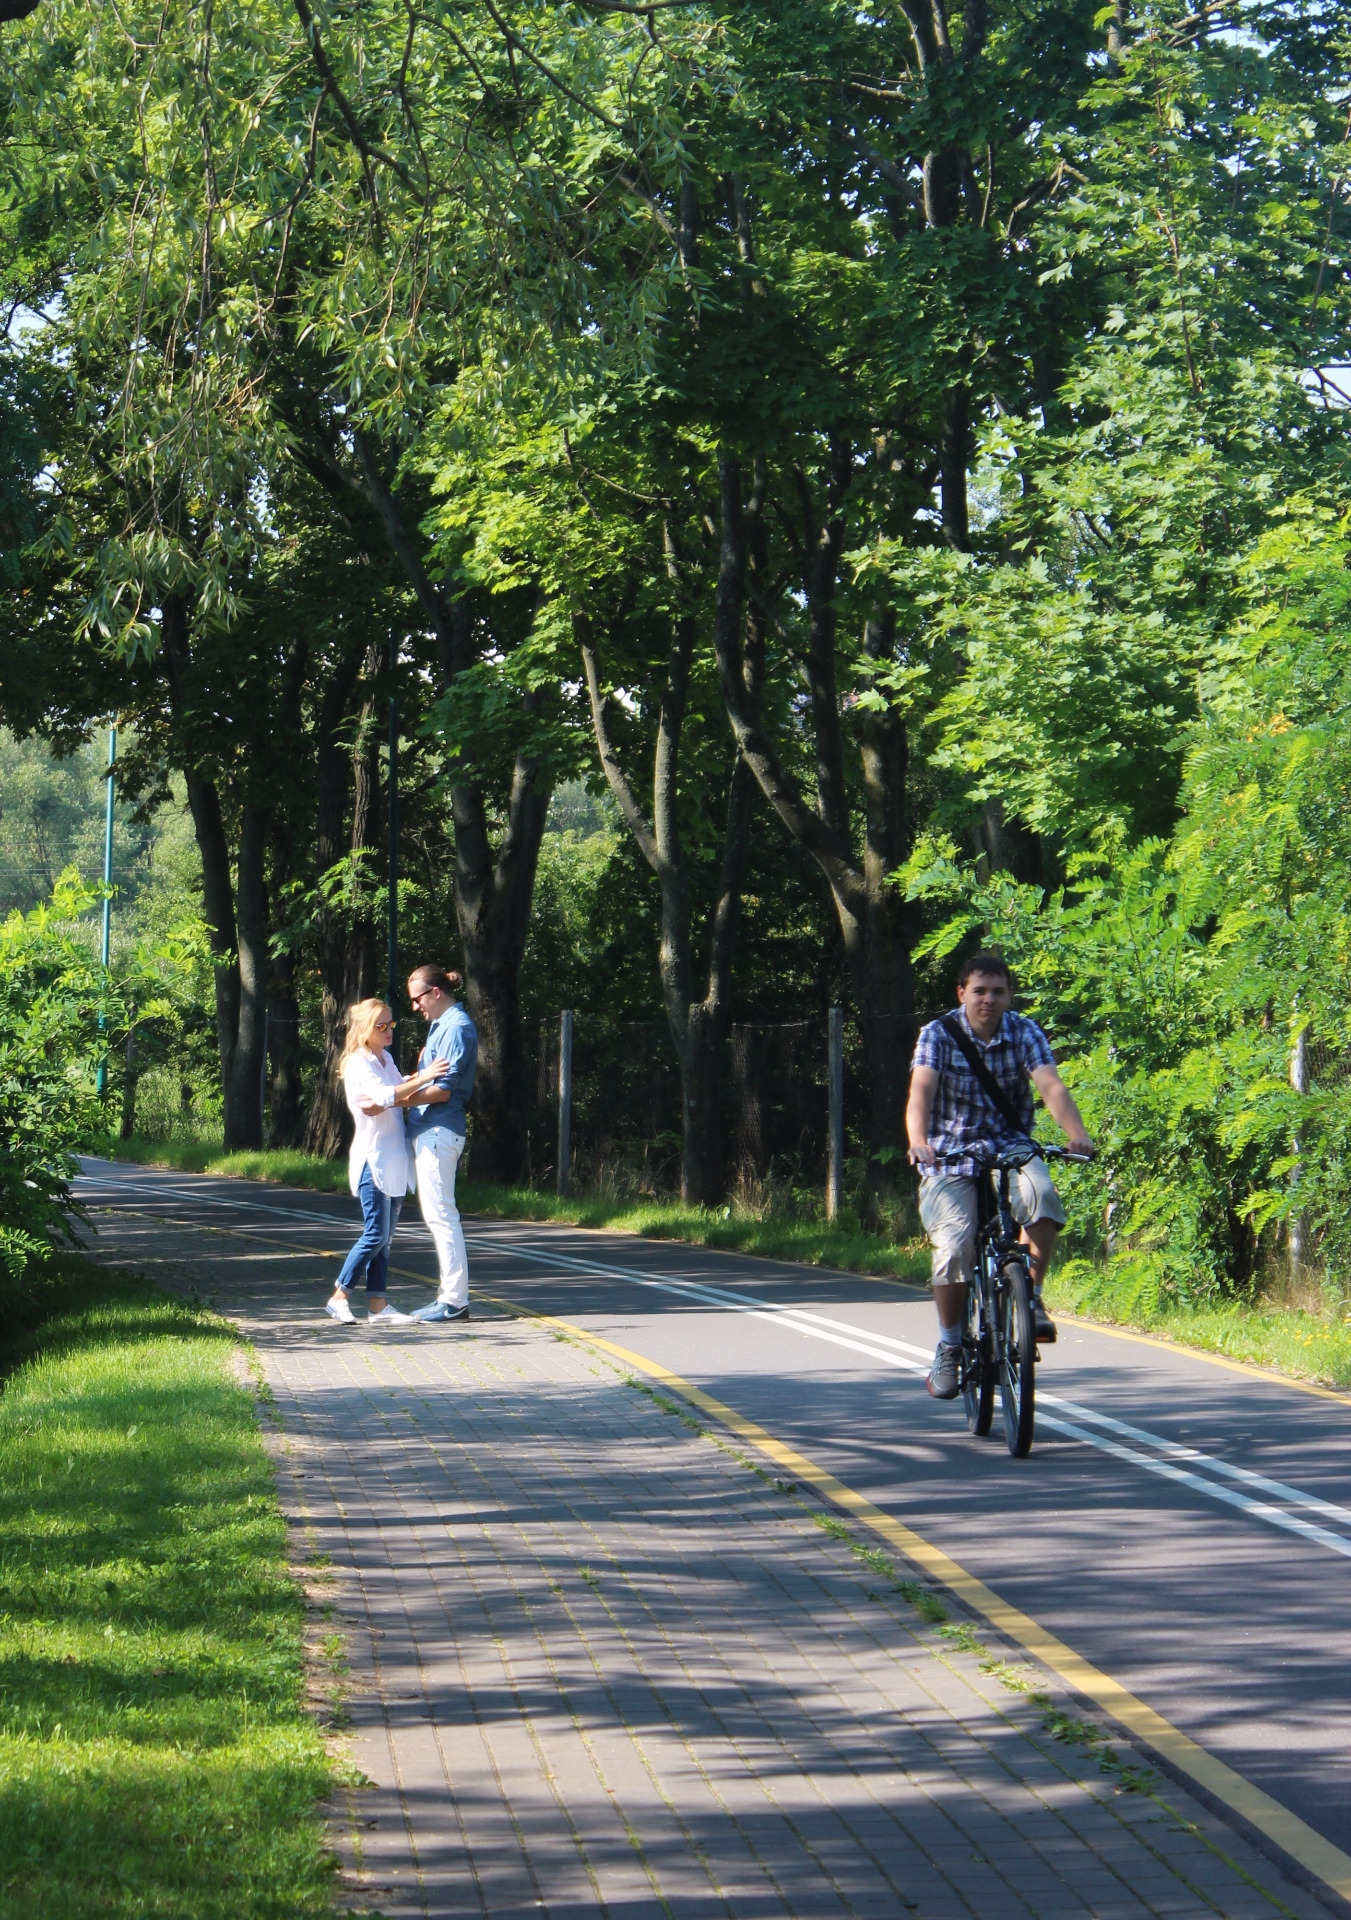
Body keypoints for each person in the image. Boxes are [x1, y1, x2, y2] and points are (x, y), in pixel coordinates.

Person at [906, 952, 1095, 1401]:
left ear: (1009, 996)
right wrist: (918, 1139)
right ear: (962, 994)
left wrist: (1077, 1135)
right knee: (953, 1245)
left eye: (998, 992)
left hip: (1010, 1144)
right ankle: (950, 1346)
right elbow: (921, 1091)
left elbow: (1051, 1086)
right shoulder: (937, 1035)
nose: (988, 1000)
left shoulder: (1025, 1031)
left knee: (1043, 1197)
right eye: (980, 991)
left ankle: (1030, 1297)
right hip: (950, 1152)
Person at [325, 998, 450, 1327]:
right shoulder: (358, 1063)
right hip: (373, 1159)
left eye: (391, 1024)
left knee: (386, 1238)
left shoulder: (386, 1059)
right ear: (366, 1030)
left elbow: (398, 1094)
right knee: (375, 1233)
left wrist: (419, 1075)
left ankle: (378, 1305)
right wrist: (423, 1078)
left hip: (395, 1157)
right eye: (381, 1025)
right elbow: (383, 1097)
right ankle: (340, 1295)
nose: (388, 1030)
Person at [404, 963, 478, 1323]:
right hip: (430, 1132)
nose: (415, 1007)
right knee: (438, 1216)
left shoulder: (456, 1027)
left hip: (438, 1132)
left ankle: (454, 1301)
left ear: (435, 992)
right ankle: (450, 1298)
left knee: (442, 1217)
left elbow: (443, 1091)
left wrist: (394, 1099)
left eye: (418, 1000)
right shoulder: (440, 1026)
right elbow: (426, 1077)